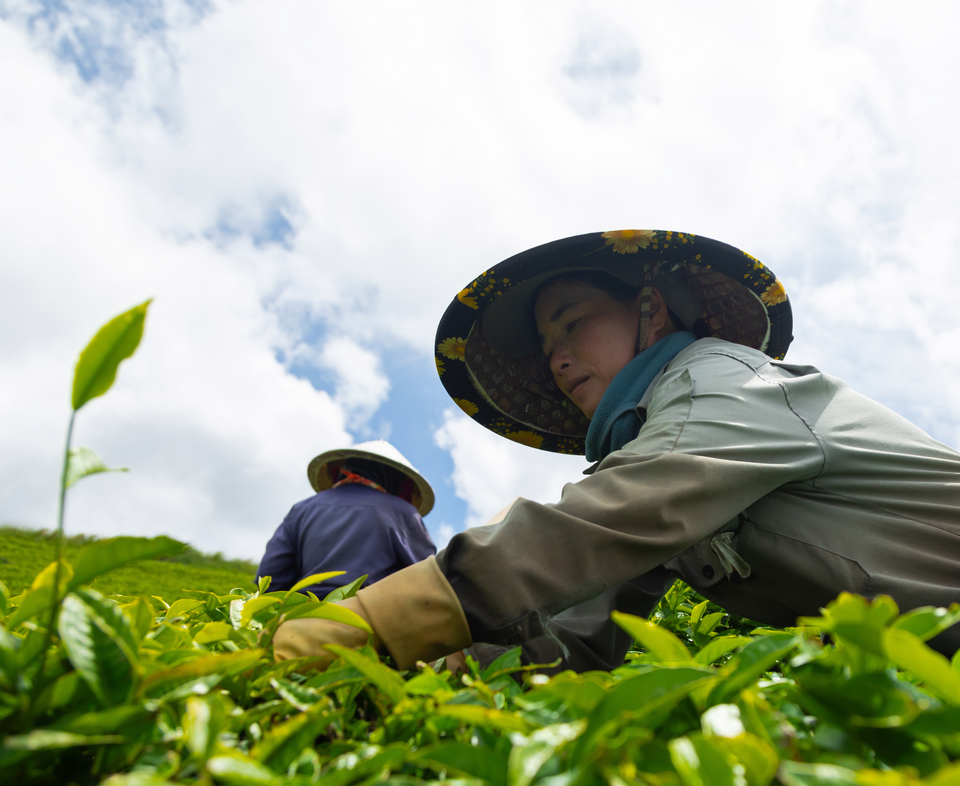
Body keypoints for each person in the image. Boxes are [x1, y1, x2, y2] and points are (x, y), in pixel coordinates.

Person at [270, 229, 960, 669]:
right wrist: (431, 672)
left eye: (573, 324)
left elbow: (604, 522)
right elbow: (577, 626)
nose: (558, 360)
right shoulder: (658, 456)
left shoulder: (720, 377)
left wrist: (368, 623)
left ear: (651, 311)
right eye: (548, 348)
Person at [257, 440, 436, 598]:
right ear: (396, 479)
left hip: (301, 616)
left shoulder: (301, 510)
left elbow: (270, 579)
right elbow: (431, 581)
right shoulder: (402, 512)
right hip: (370, 619)